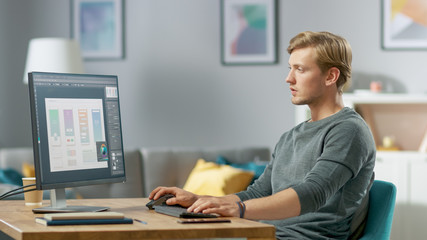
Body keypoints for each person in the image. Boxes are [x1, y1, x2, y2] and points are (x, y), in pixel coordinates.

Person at [149, 31, 376, 239]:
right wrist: (199, 201)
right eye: (290, 68)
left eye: (300, 69)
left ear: (330, 76)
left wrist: (239, 209)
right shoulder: (291, 136)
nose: (289, 78)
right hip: (266, 234)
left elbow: (313, 192)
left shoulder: (349, 130)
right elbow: (259, 192)